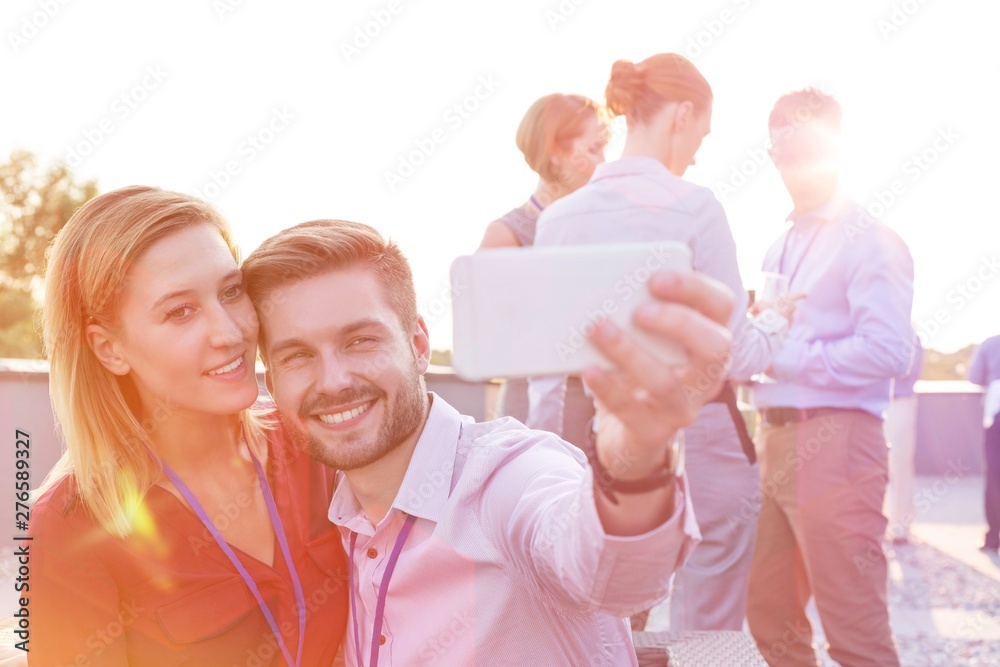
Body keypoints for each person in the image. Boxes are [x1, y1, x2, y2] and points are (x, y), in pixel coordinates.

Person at [241, 218, 736, 665]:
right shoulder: (339, 516)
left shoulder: (505, 478)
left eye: (360, 341)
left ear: (417, 346)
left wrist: (635, 462)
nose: (332, 381)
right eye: (297, 356)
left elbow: (613, 575)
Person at [28, 187, 348, 666]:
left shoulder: (318, 443)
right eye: (180, 311)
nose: (231, 332)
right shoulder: (69, 528)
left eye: (231, 291)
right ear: (109, 349)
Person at [532, 52, 793, 632]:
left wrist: (549, 459)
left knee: (604, 621)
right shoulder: (697, 207)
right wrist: (775, 321)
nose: (700, 145)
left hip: (598, 446)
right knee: (706, 634)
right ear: (681, 113)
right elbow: (741, 354)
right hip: (706, 441)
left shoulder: (559, 220)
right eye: (703, 127)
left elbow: (547, 375)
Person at [747, 89, 914, 666]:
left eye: (810, 147)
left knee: (855, 631)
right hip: (774, 440)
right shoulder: (781, 242)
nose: (797, 163)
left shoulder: (870, 237)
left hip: (838, 443)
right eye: (785, 150)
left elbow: (892, 350)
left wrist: (786, 354)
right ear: (772, 154)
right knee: (770, 618)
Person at [478, 93, 608, 448]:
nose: (605, 162)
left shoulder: (607, 235)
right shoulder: (506, 235)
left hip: (606, 411)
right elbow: (487, 341)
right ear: (556, 152)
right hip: (533, 412)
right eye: (595, 149)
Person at [885, 331, 923, 545]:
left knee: (899, 464)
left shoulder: (909, 334)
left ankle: (900, 526)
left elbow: (902, 370)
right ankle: (879, 522)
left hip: (899, 403)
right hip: (873, 403)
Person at [968, 333, 1000, 554]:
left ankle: (993, 538)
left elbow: (974, 375)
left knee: (995, 475)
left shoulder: (991, 343)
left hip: (996, 412)